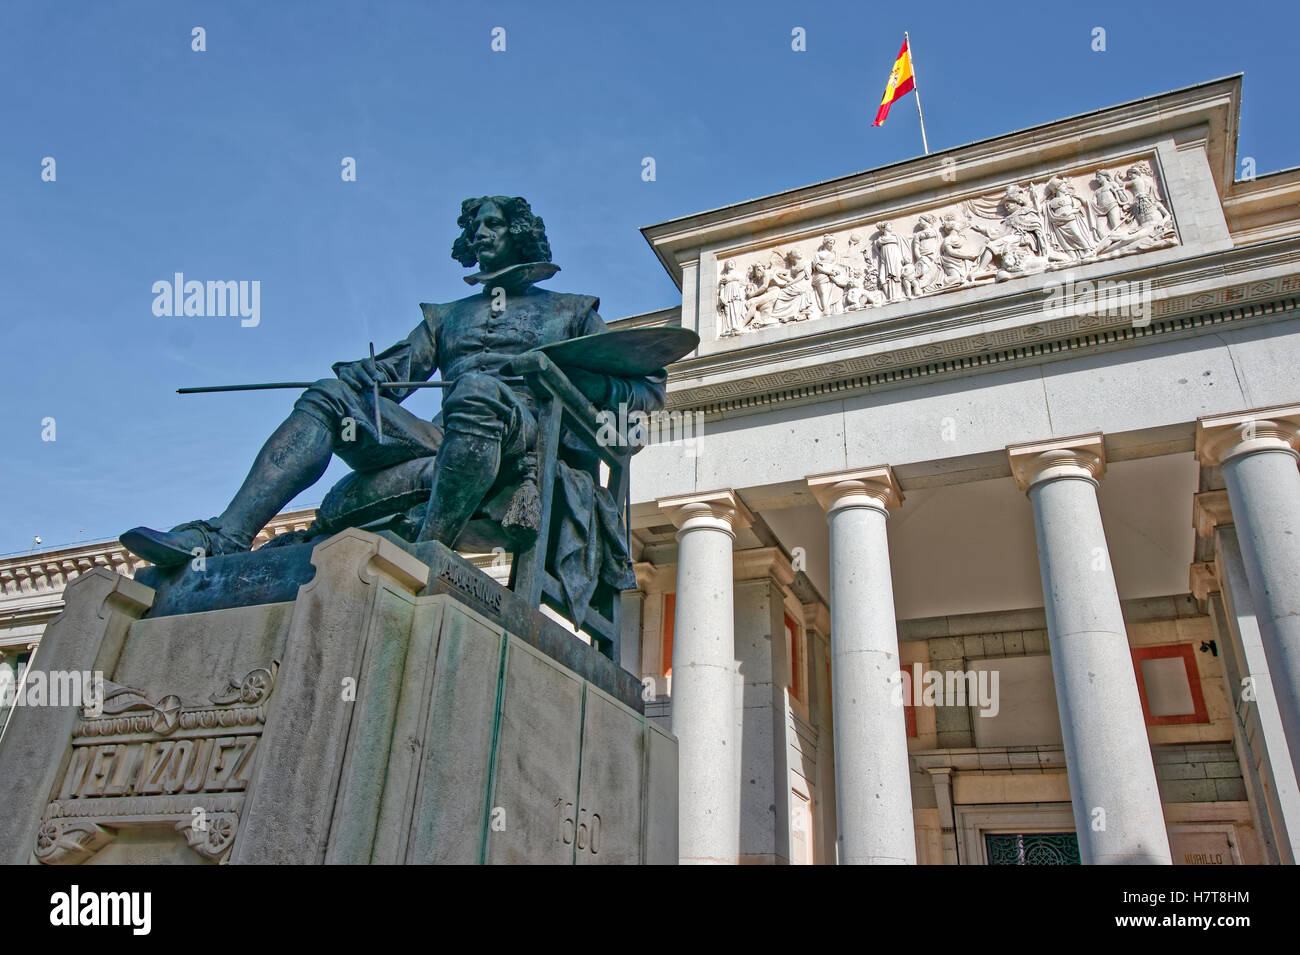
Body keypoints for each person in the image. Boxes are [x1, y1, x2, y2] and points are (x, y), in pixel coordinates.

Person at [122, 196, 666, 567]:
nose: (479, 233)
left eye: (492, 224)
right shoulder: (446, 316)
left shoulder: (571, 311)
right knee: (330, 395)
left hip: (523, 441)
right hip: (448, 435)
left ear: (519, 233)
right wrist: (363, 378)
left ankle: (429, 551)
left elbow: (646, 394)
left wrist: (572, 380)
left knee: (475, 394)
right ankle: (225, 536)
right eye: (473, 227)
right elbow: (393, 377)